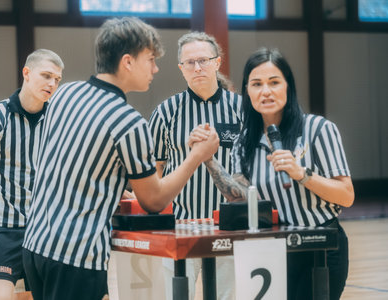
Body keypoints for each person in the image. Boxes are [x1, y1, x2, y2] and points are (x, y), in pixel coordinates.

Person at [21, 17, 219, 300]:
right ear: (128, 62)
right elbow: (154, 200)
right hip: (76, 255)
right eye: (150, 59)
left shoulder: (65, 93)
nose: (155, 68)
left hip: (35, 244)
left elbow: (78, 166)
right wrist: (196, 156)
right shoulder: (128, 122)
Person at [190, 47, 354, 300]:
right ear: (248, 92)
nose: (266, 91)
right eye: (256, 84)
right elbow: (240, 197)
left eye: (274, 82)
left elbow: (346, 196)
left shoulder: (318, 129)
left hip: (321, 245)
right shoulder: (243, 142)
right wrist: (208, 160)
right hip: (275, 249)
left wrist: (301, 173)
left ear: (288, 87)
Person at [0, 49, 64, 300]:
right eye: (46, 75)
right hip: (3, 229)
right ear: (26, 73)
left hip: (44, 230)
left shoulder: (58, 120)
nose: (52, 84)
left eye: (57, 79)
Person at [148, 31, 242, 300]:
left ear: (218, 62)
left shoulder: (241, 109)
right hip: (180, 227)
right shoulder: (166, 112)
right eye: (189, 62)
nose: (197, 67)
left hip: (229, 227)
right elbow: (154, 171)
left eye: (203, 60)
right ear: (181, 69)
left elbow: (251, 170)